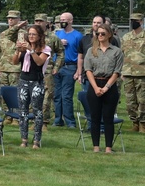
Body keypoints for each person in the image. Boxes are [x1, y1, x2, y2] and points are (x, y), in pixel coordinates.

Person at [83, 23, 124, 153]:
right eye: (98, 33)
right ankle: (96, 146)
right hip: (94, 84)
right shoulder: (91, 51)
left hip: (110, 86)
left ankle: (108, 147)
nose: (100, 36)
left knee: (108, 118)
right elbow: (88, 70)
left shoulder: (117, 52)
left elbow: (116, 72)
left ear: (109, 35)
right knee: (95, 117)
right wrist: (95, 87)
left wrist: (106, 88)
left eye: (103, 34)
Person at [10, 23, 51, 148]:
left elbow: (39, 62)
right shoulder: (24, 48)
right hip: (23, 80)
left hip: (36, 81)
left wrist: (31, 50)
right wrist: (18, 50)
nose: (31, 36)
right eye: (30, 34)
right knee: (23, 111)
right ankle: (24, 139)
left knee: (37, 111)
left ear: (39, 36)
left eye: (34, 34)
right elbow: (14, 62)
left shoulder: (45, 49)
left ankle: (36, 140)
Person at [53, 12, 82, 128]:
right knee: (57, 95)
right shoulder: (57, 34)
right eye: (61, 19)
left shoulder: (78, 36)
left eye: (64, 19)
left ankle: (70, 121)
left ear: (71, 21)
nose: (62, 21)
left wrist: (78, 71)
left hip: (70, 66)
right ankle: (57, 120)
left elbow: (81, 54)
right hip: (57, 66)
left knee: (66, 95)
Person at [122, 13, 145, 133]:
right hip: (128, 72)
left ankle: (143, 123)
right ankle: (134, 122)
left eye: (135, 20)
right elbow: (122, 54)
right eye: (131, 20)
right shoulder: (126, 37)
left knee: (143, 100)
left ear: (140, 21)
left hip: (142, 73)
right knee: (130, 100)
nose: (132, 23)